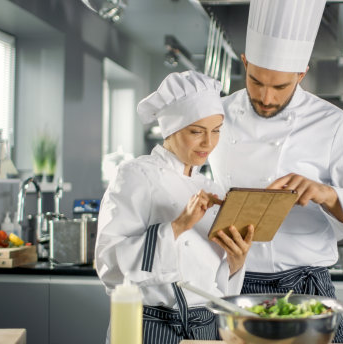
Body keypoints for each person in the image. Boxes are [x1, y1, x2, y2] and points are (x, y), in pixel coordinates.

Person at [208, 0, 343, 342]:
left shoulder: (334, 124)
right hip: (233, 282)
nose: (265, 97)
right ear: (244, 63)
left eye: (280, 87)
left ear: (301, 74)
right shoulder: (215, 116)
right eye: (256, 80)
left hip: (306, 287)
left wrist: (326, 194)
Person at [95, 71, 254, 344]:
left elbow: (213, 282)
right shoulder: (135, 175)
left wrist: (235, 262)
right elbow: (108, 264)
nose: (208, 143)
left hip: (207, 328)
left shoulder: (213, 190)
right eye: (197, 131)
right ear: (171, 130)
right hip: (150, 328)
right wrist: (178, 226)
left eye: (216, 131)